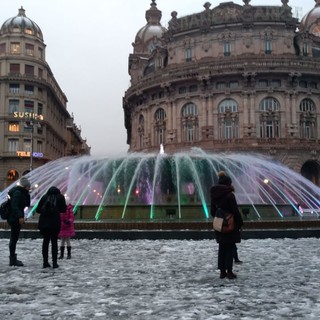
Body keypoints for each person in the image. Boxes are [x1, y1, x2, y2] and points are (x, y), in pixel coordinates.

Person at [211, 171, 243, 279]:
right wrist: (240, 222)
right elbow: (235, 211)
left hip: (219, 224)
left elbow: (212, 211)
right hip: (230, 224)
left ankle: (222, 271)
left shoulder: (214, 195)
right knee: (229, 247)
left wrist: (219, 217)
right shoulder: (230, 195)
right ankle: (229, 271)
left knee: (222, 247)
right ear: (228, 184)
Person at [36, 186, 66, 268]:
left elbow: (37, 210)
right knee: (54, 242)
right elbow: (63, 210)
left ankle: (45, 262)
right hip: (55, 223)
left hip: (44, 223)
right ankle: (55, 263)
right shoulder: (60, 197)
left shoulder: (44, 197)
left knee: (45, 242)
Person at [7, 176, 31, 266]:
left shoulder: (22, 193)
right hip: (14, 218)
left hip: (15, 217)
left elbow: (27, 205)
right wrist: (20, 216)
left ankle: (13, 259)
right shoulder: (17, 193)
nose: (30, 188)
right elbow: (14, 206)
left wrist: (28, 195)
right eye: (29, 186)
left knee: (14, 238)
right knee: (14, 238)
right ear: (25, 186)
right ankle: (12, 260)